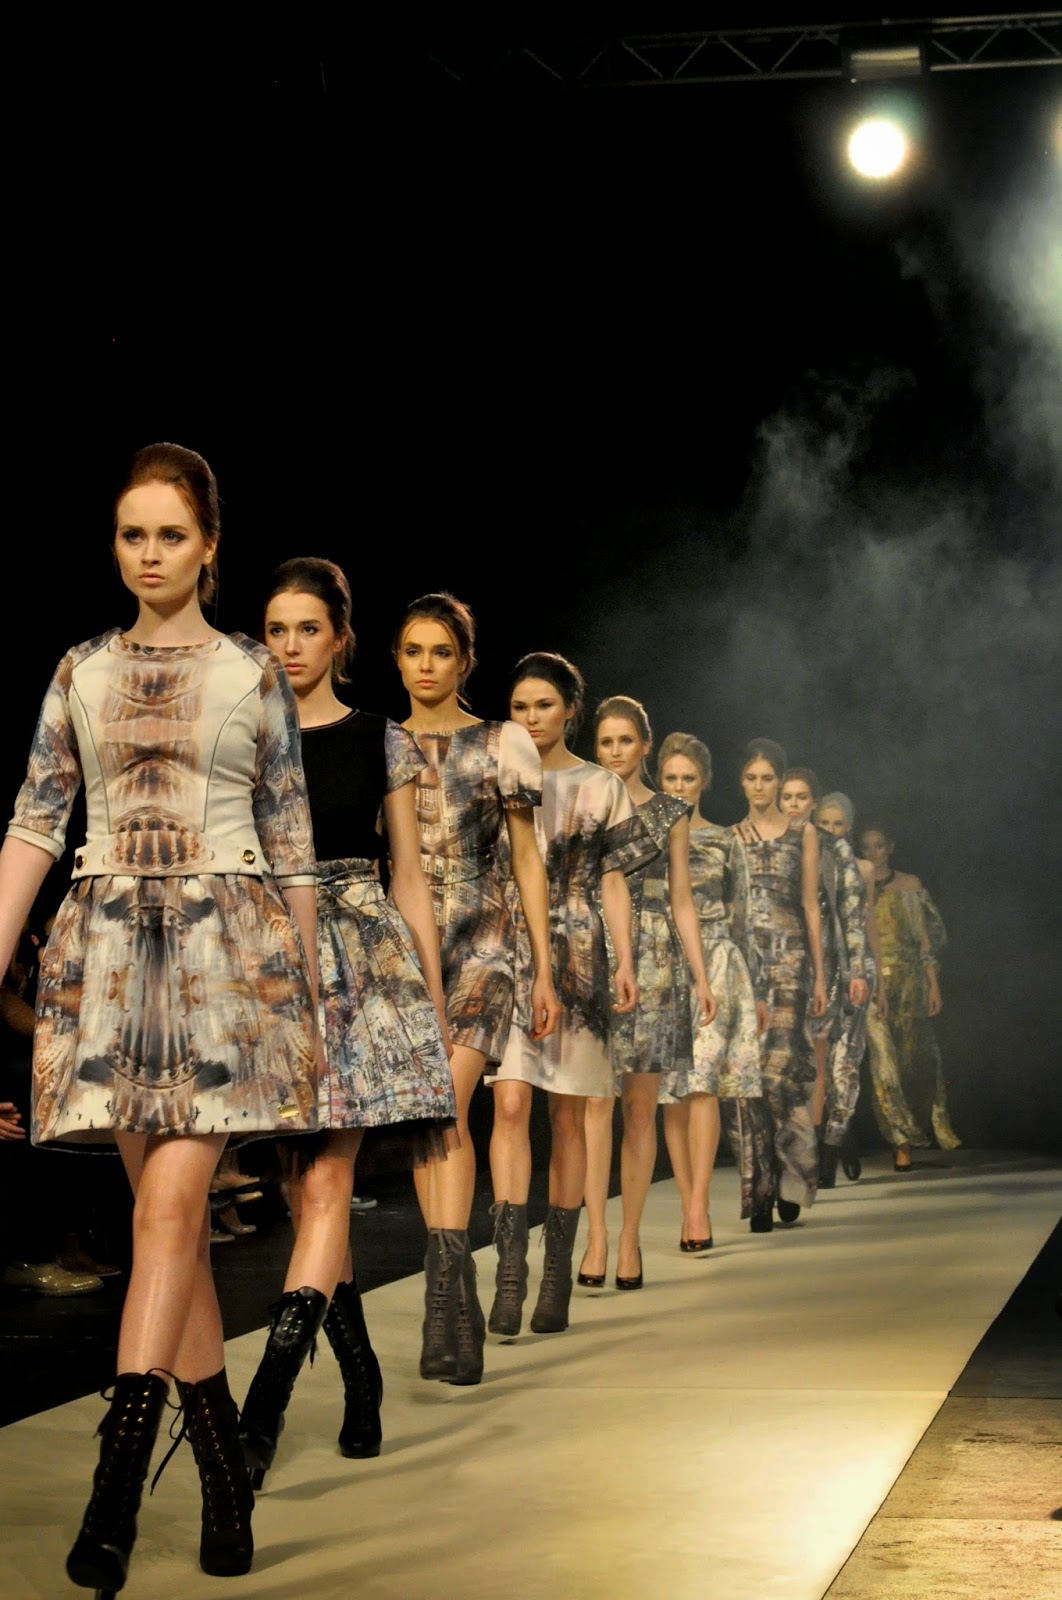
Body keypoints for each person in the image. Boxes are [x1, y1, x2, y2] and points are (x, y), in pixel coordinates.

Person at [0, 443, 322, 1592]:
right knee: (166, 1233)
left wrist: (308, 989)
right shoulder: (80, 670)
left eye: (171, 535)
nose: (150, 554)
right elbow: (35, 821)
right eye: (132, 534)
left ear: (209, 545)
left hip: (222, 959)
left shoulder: (251, 672)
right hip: (106, 960)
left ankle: (114, 1495)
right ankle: (226, 1480)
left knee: (172, 1211)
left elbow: (291, 838)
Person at [238, 558, 457, 1484]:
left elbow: (408, 875)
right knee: (302, 1194)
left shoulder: (380, 739)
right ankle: (362, 1380)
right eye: (275, 630)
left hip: (364, 966)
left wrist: (430, 1000)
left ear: (340, 638)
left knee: (328, 1183)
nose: (290, 646)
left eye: (308, 629)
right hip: (270, 964)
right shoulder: (244, 737)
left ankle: (261, 1410)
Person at [395, 594, 560, 1385]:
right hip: (405, 947)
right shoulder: (382, 742)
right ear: (397, 659)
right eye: (412, 651)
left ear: (464, 661)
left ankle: (444, 1302)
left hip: (485, 942)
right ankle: (454, 1301)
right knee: (429, 1121)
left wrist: (544, 965)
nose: (426, 665)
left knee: (448, 1105)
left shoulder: (502, 742)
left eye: (440, 651)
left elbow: (527, 856)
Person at [488, 654, 654, 1330]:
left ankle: (556, 1271)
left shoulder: (600, 785)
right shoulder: (497, 776)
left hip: (580, 952)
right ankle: (509, 1271)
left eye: (544, 706)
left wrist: (626, 960)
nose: (531, 718)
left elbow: (613, 878)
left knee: (567, 1114)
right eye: (520, 707)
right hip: (506, 948)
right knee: (508, 1102)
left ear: (570, 711)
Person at [581, 699, 715, 1289]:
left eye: (625, 741)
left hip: (657, 961)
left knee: (639, 1109)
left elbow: (683, 898)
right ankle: (596, 1237)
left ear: (644, 746)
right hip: (591, 953)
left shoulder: (669, 812)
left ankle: (630, 1239)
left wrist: (702, 976)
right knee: (593, 1104)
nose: (615, 751)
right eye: (605, 741)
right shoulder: (582, 801)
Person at [657, 734, 775, 1234]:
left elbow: (744, 917)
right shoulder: (644, 834)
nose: (679, 786)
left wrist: (759, 990)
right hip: (661, 964)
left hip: (717, 962)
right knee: (671, 1092)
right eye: (670, 778)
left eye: (688, 778)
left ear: (704, 782)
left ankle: (699, 1206)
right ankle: (687, 1199)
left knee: (703, 1083)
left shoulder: (726, 841)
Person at [735, 739, 827, 1225]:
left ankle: (790, 1178)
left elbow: (811, 904)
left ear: (779, 781)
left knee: (782, 1076)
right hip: (746, 964)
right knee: (749, 1079)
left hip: (791, 962)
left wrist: (821, 975)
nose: (759, 786)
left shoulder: (802, 833)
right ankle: (761, 1190)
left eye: (767, 778)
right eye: (751, 778)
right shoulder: (732, 836)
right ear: (741, 782)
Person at [779, 770, 869, 1185]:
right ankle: (788, 1149)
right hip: (777, 963)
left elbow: (852, 911)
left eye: (802, 797)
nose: (794, 805)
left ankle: (819, 1149)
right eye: (787, 797)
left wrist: (855, 970)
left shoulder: (835, 848)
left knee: (819, 1061)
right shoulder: (770, 842)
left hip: (823, 965)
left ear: (813, 803)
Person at [857, 822, 960, 1167]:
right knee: (883, 1064)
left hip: (909, 983)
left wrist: (933, 984)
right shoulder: (856, 885)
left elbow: (925, 939)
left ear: (890, 847)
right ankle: (900, 1141)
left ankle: (915, 1130)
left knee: (912, 1062)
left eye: (879, 845)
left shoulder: (909, 885)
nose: (874, 853)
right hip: (872, 984)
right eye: (867, 847)